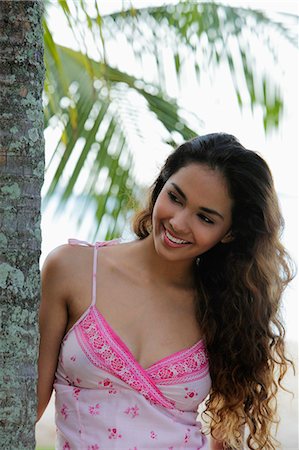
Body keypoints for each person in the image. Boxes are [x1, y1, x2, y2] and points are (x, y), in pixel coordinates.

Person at [37, 133, 294, 450]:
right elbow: (26, 406)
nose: (179, 222)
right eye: (175, 198)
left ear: (229, 234)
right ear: (160, 186)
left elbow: (224, 434)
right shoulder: (72, 269)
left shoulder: (223, 308)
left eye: (204, 217)